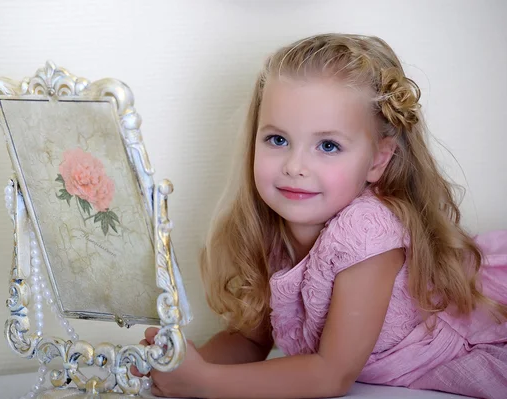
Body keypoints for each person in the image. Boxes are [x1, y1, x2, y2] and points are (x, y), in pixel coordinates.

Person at [136, 33, 507, 399]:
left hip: (466, 353)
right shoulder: (274, 225)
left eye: (328, 145)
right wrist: (180, 364)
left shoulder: (366, 230)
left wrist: (205, 384)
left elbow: (333, 374)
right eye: (277, 140)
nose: (295, 166)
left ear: (378, 159)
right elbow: (250, 340)